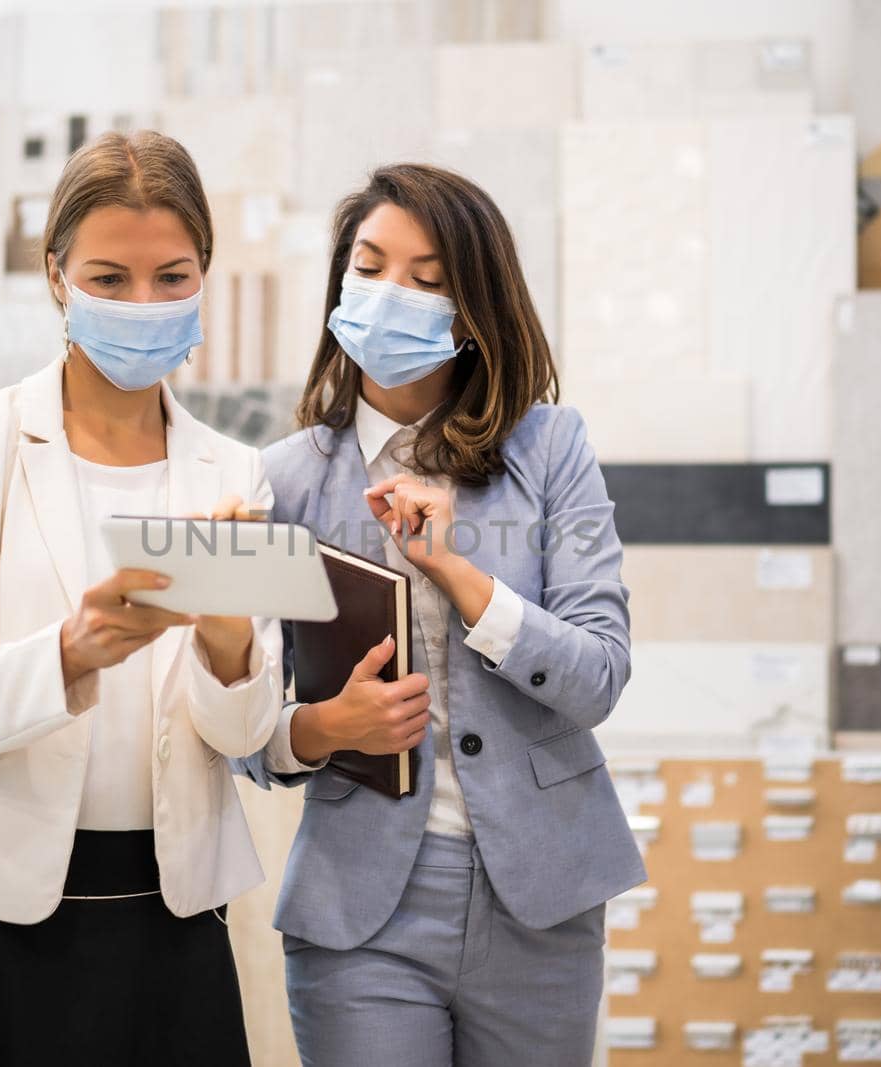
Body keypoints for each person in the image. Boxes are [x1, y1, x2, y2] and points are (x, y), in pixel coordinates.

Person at [0, 130, 279, 1066]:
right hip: (0, 909)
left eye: (172, 277)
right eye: (109, 278)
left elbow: (247, 734)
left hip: (172, 907)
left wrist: (227, 642)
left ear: (205, 275)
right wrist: (73, 650)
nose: (144, 304)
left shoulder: (234, 472)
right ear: (57, 277)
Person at [237, 163, 646, 1065]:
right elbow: (244, 728)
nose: (392, 294)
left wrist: (464, 580)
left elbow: (601, 674)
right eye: (372, 267)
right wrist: (319, 728)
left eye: (428, 280)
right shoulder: (280, 480)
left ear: (474, 309)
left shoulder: (551, 449)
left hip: (541, 894)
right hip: (361, 904)